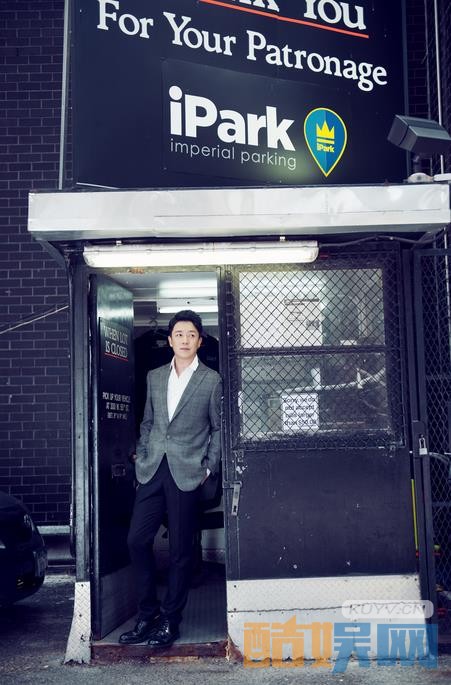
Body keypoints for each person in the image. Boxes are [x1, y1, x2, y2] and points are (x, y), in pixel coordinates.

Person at [119, 310, 222, 647]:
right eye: (179, 334)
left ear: (200, 341)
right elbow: (147, 421)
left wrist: (208, 467)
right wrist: (142, 454)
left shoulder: (211, 380)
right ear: (170, 340)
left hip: (188, 472)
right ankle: (146, 615)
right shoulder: (154, 377)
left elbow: (218, 428)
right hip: (152, 469)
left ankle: (170, 620)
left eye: (191, 335)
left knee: (180, 551)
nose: (185, 340)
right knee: (137, 540)